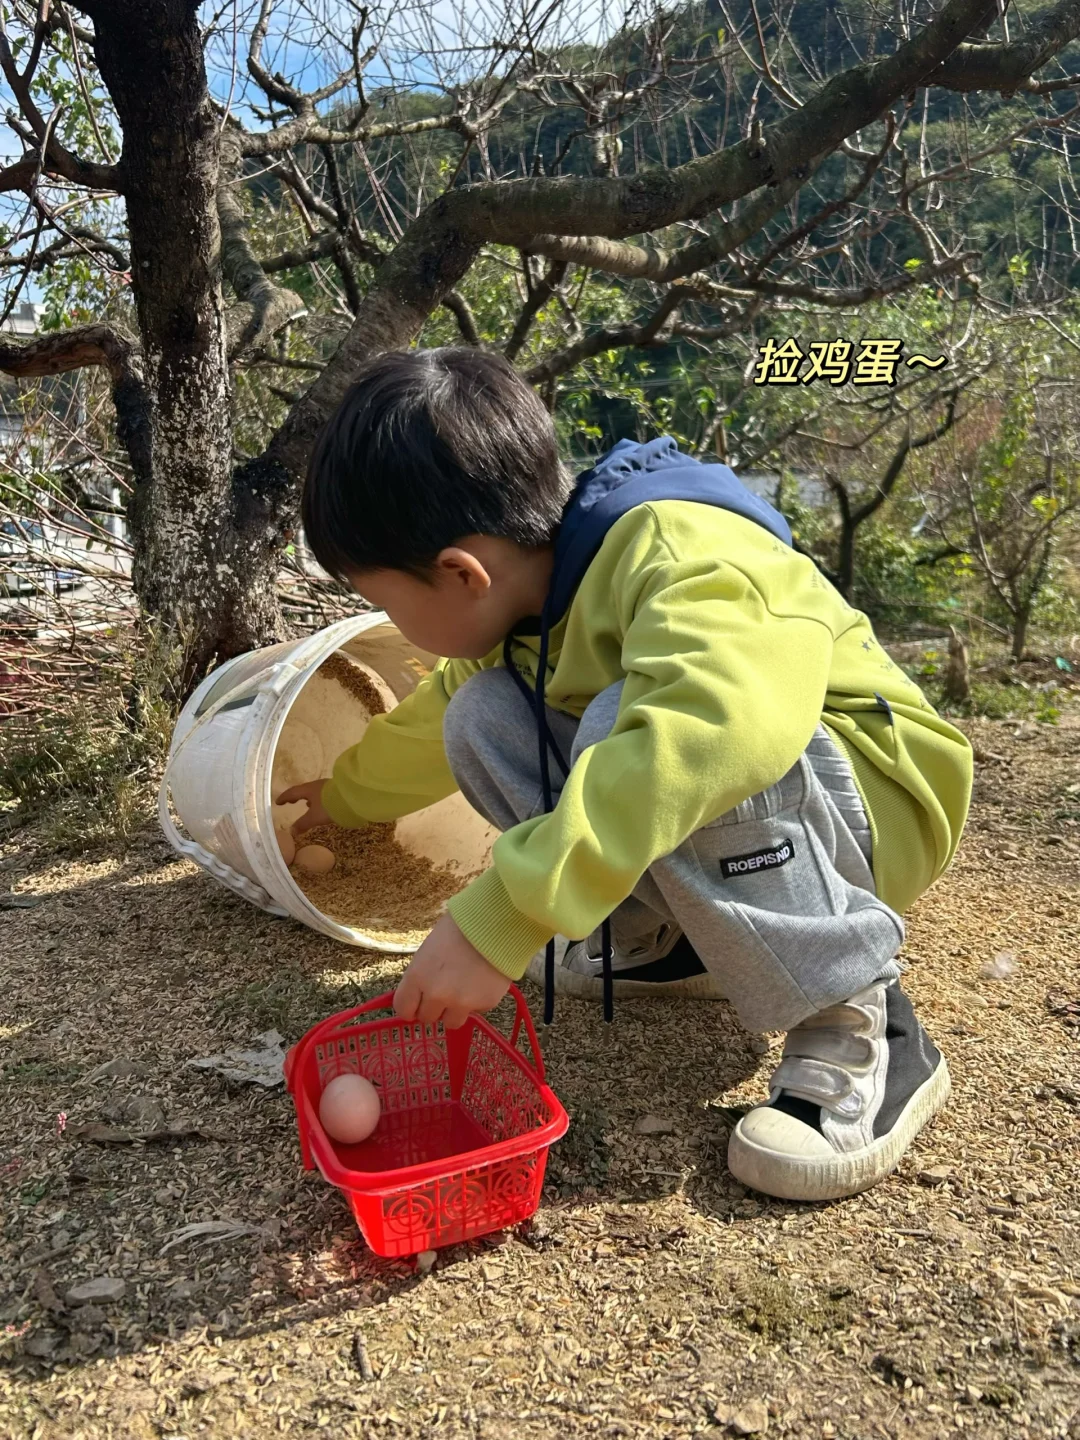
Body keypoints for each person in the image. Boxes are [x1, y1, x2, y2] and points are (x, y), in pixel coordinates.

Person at [280, 346, 972, 1203]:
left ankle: (860, 1015)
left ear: (462, 572)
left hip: (871, 802)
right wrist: (343, 798)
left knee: (636, 726)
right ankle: (672, 942)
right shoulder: (525, 616)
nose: (395, 626)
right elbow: (428, 729)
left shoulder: (680, 547)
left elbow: (714, 726)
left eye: (388, 604)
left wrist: (511, 909)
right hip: (769, 801)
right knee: (486, 718)